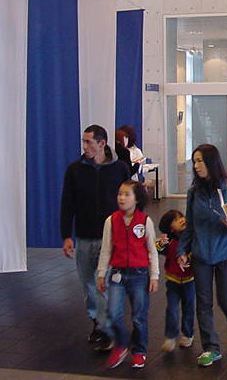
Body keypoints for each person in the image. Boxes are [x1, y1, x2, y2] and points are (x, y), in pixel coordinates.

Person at [177, 144, 227, 367]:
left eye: (200, 161)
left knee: (225, 299)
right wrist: (182, 250)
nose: (196, 166)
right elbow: (190, 225)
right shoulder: (194, 193)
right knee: (203, 303)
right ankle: (211, 348)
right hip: (201, 255)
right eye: (194, 161)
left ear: (211, 162)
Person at [60, 125, 131, 351]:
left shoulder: (120, 169)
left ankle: (106, 329)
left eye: (89, 142)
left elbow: (131, 200)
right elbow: (67, 203)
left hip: (110, 238)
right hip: (84, 236)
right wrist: (66, 235)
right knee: (88, 286)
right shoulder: (75, 170)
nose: (84, 146)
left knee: (103, 284)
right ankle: (97, 322)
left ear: (102, 143)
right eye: (83, 141)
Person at [96, 180, 159, 369]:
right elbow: (106, 249)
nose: (121, 198)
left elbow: (152, 250)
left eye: (126, 194)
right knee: (113, 313)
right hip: (117, 274)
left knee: (139, 316)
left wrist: (154, 276)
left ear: (137, 199)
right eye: (119, 194)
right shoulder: (111, 221)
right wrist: (101, 273)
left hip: (140, 275)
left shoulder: (145, 221)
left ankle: (139, 351)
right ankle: (122, 344)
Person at [157, 209, 195, 352]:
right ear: (170, 228)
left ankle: (187, 334)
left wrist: (188, 259)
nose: (181, 220)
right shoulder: (170, 241)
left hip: (189, 280)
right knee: (172, 309)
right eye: (176, 220)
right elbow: (158, 249)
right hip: (172, 281)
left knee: (188, 308)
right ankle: (170, 336)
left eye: (181, 217)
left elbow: (195, 253)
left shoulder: (191, 238)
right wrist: (161, 244)